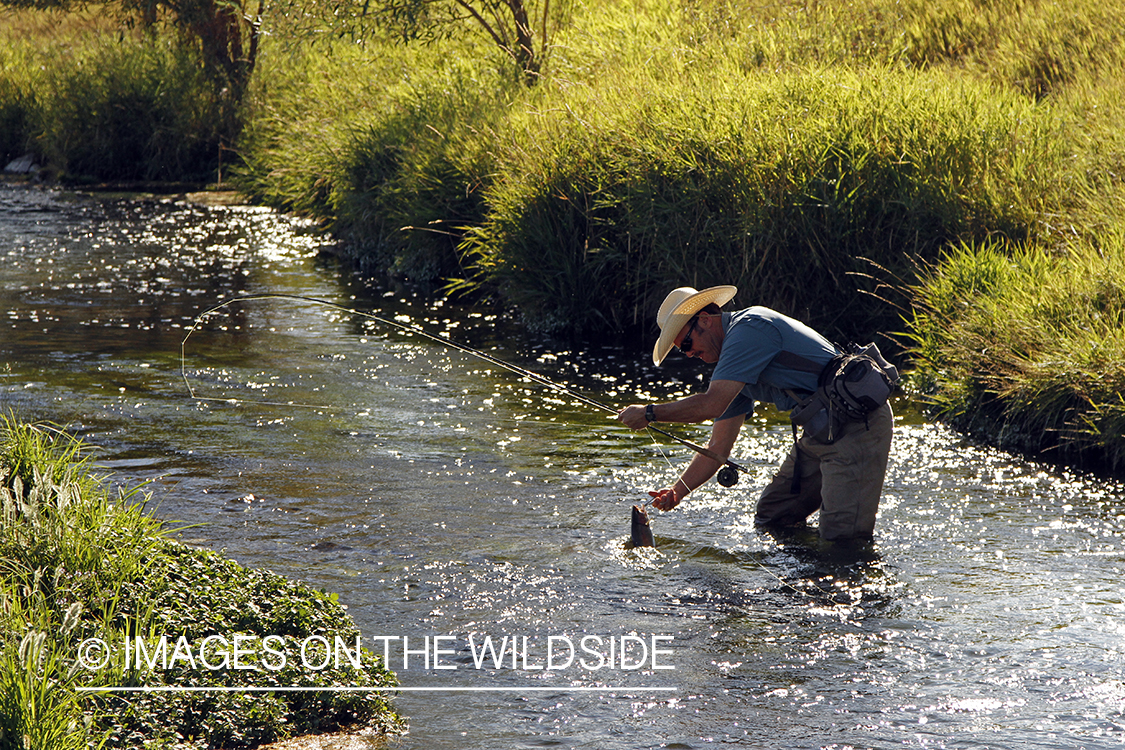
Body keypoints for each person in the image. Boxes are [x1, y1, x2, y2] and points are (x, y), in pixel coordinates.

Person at [617, 285, 893, 542]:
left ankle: (838, 582)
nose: (688, 355)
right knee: (773, 517)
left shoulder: (750, 328)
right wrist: (677, 491)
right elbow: (718, 447)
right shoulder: (732, 370)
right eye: (681, 351)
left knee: (841, 538)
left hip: (857, 426)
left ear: (704, 319)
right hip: (822, 430)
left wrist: (650, 413)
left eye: (686, 344)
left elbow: (710, 405)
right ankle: (804, 580)